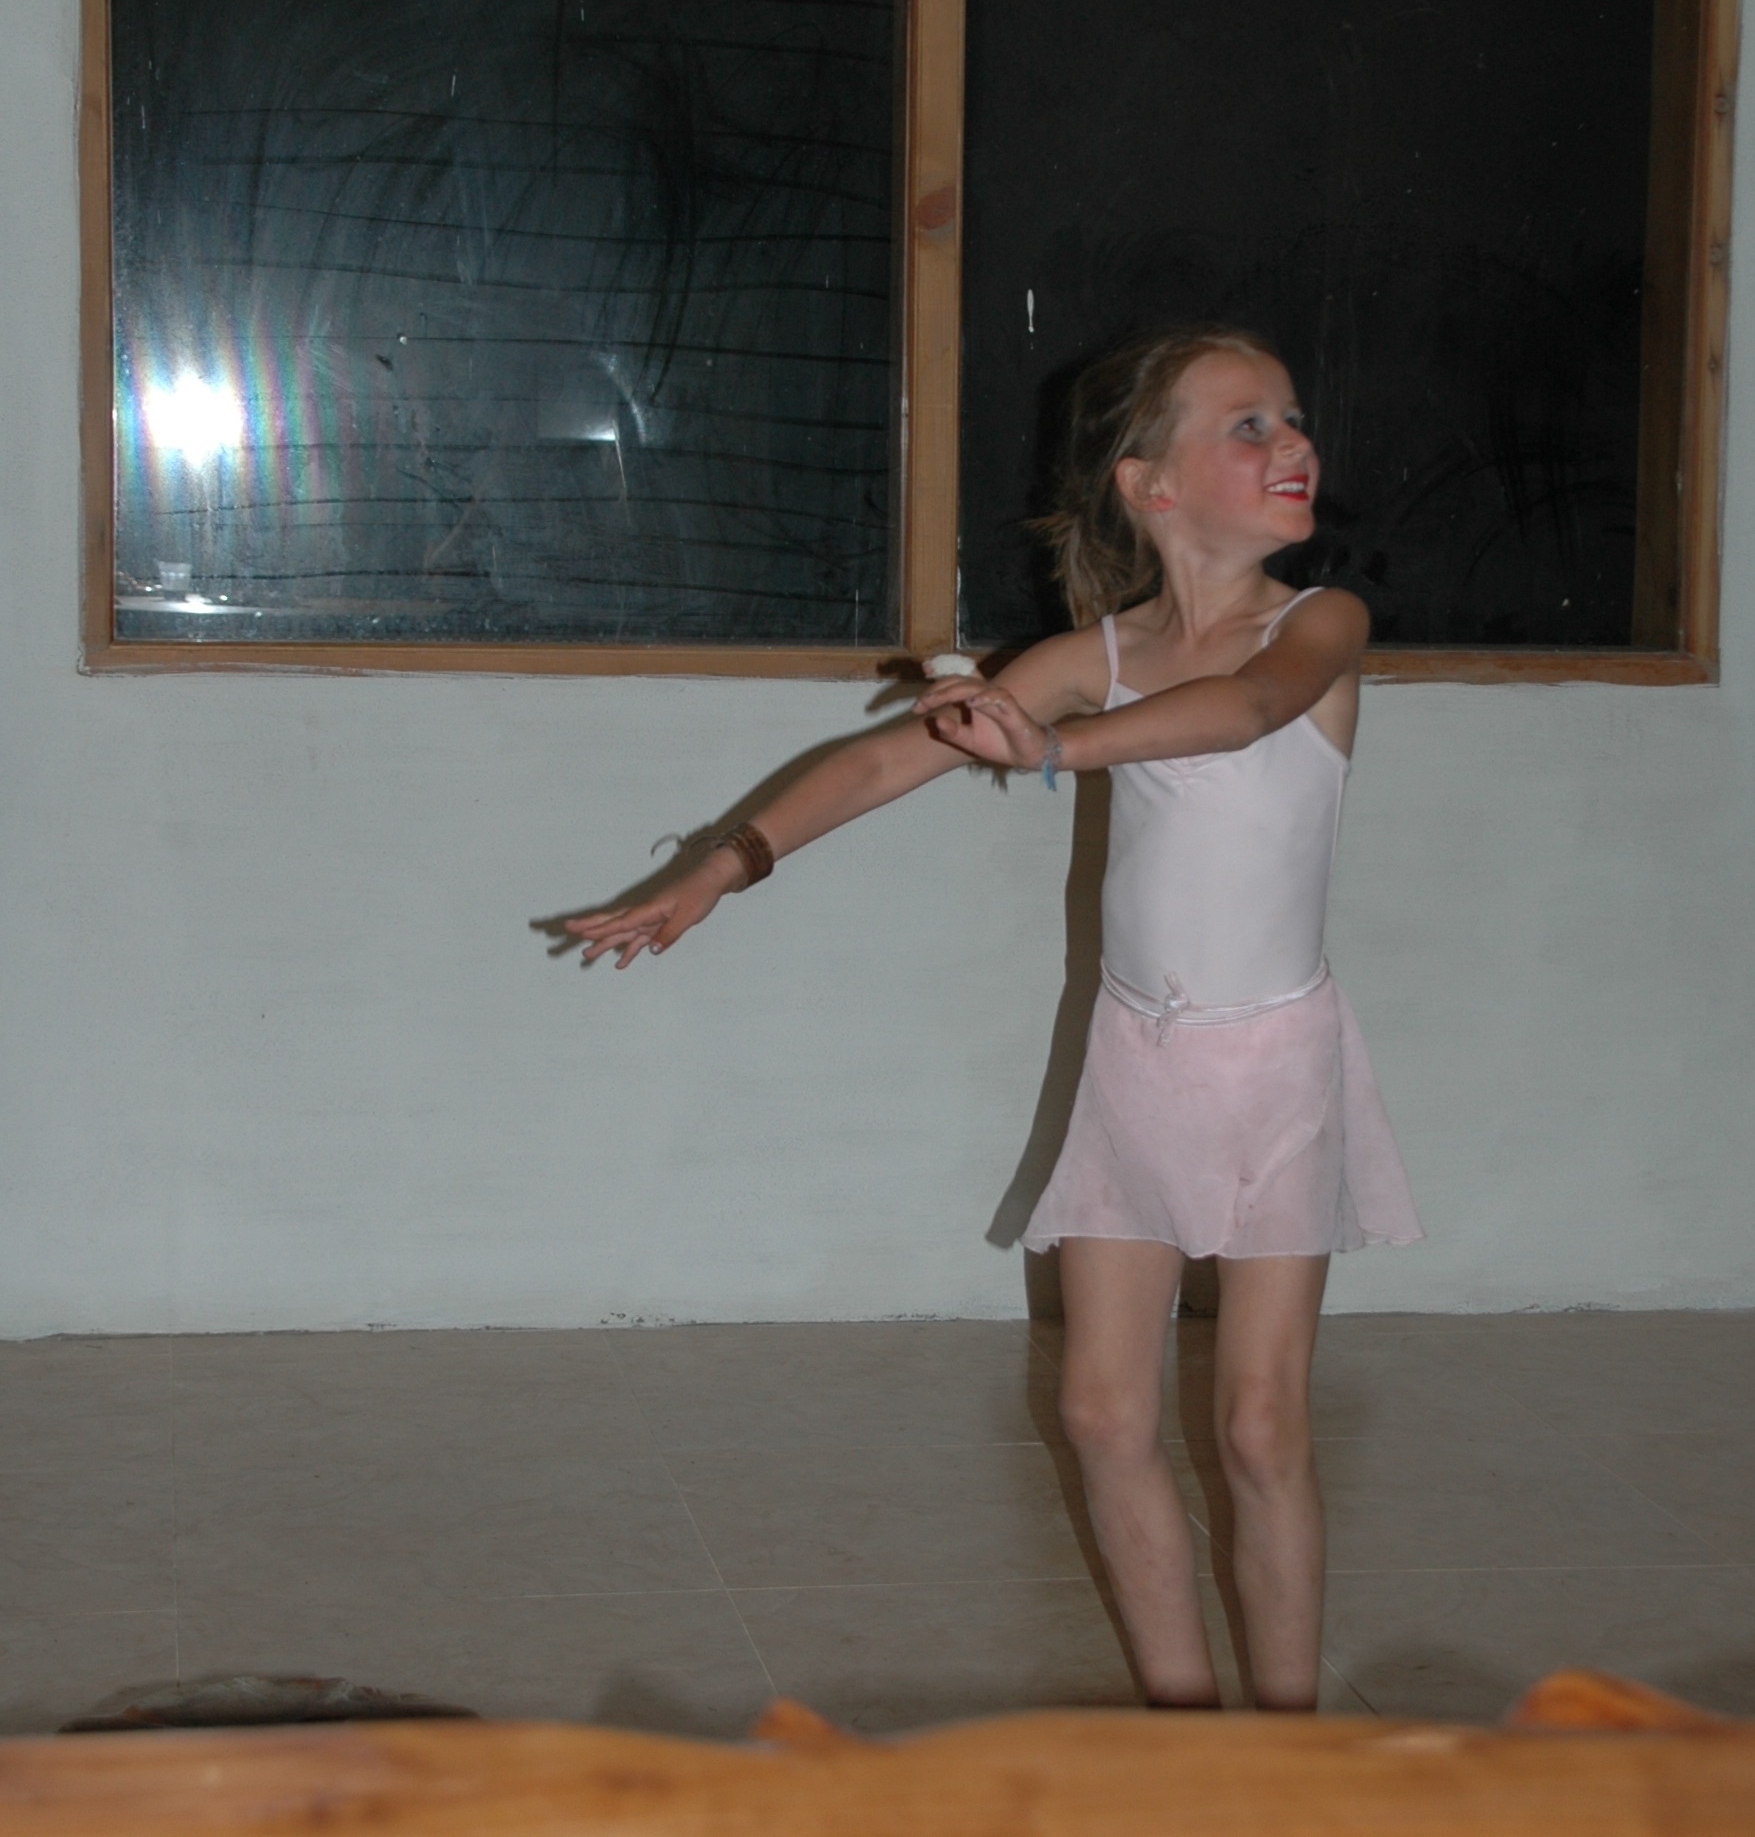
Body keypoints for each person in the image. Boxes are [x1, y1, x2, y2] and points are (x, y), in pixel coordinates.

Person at [559, 327, 1422, 1711]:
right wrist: (718, 869)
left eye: (1292, 416)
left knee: (1260, 1426)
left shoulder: (1318, 625)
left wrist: (1056, 746)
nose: (1294, 443)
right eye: (1248, 424)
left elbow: (1244, 713)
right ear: (1149, 483)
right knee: (1100, 1410)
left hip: (1276, 1059)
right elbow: (880, 761)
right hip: (1140, 1056)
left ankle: (1290, 1743)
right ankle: (1186, 1727)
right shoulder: (1095, 654)